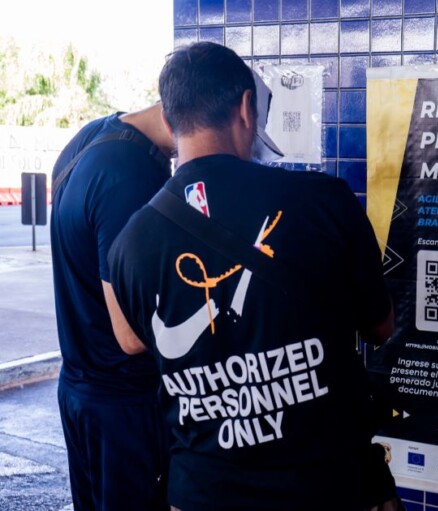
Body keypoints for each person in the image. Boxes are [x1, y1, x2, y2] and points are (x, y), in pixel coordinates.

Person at [107, 41, 401, 511]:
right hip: (326, 489)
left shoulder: (130, 241)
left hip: (201, 495)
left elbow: (132, 341)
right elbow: (380, 328)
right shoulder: (323, 201)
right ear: (247, 108)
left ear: (168, 119)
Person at [50, 103, 174, 510]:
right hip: (123, 408)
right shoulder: (130, 174)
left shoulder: (92, 136)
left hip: (81, 391)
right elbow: (131, 335)